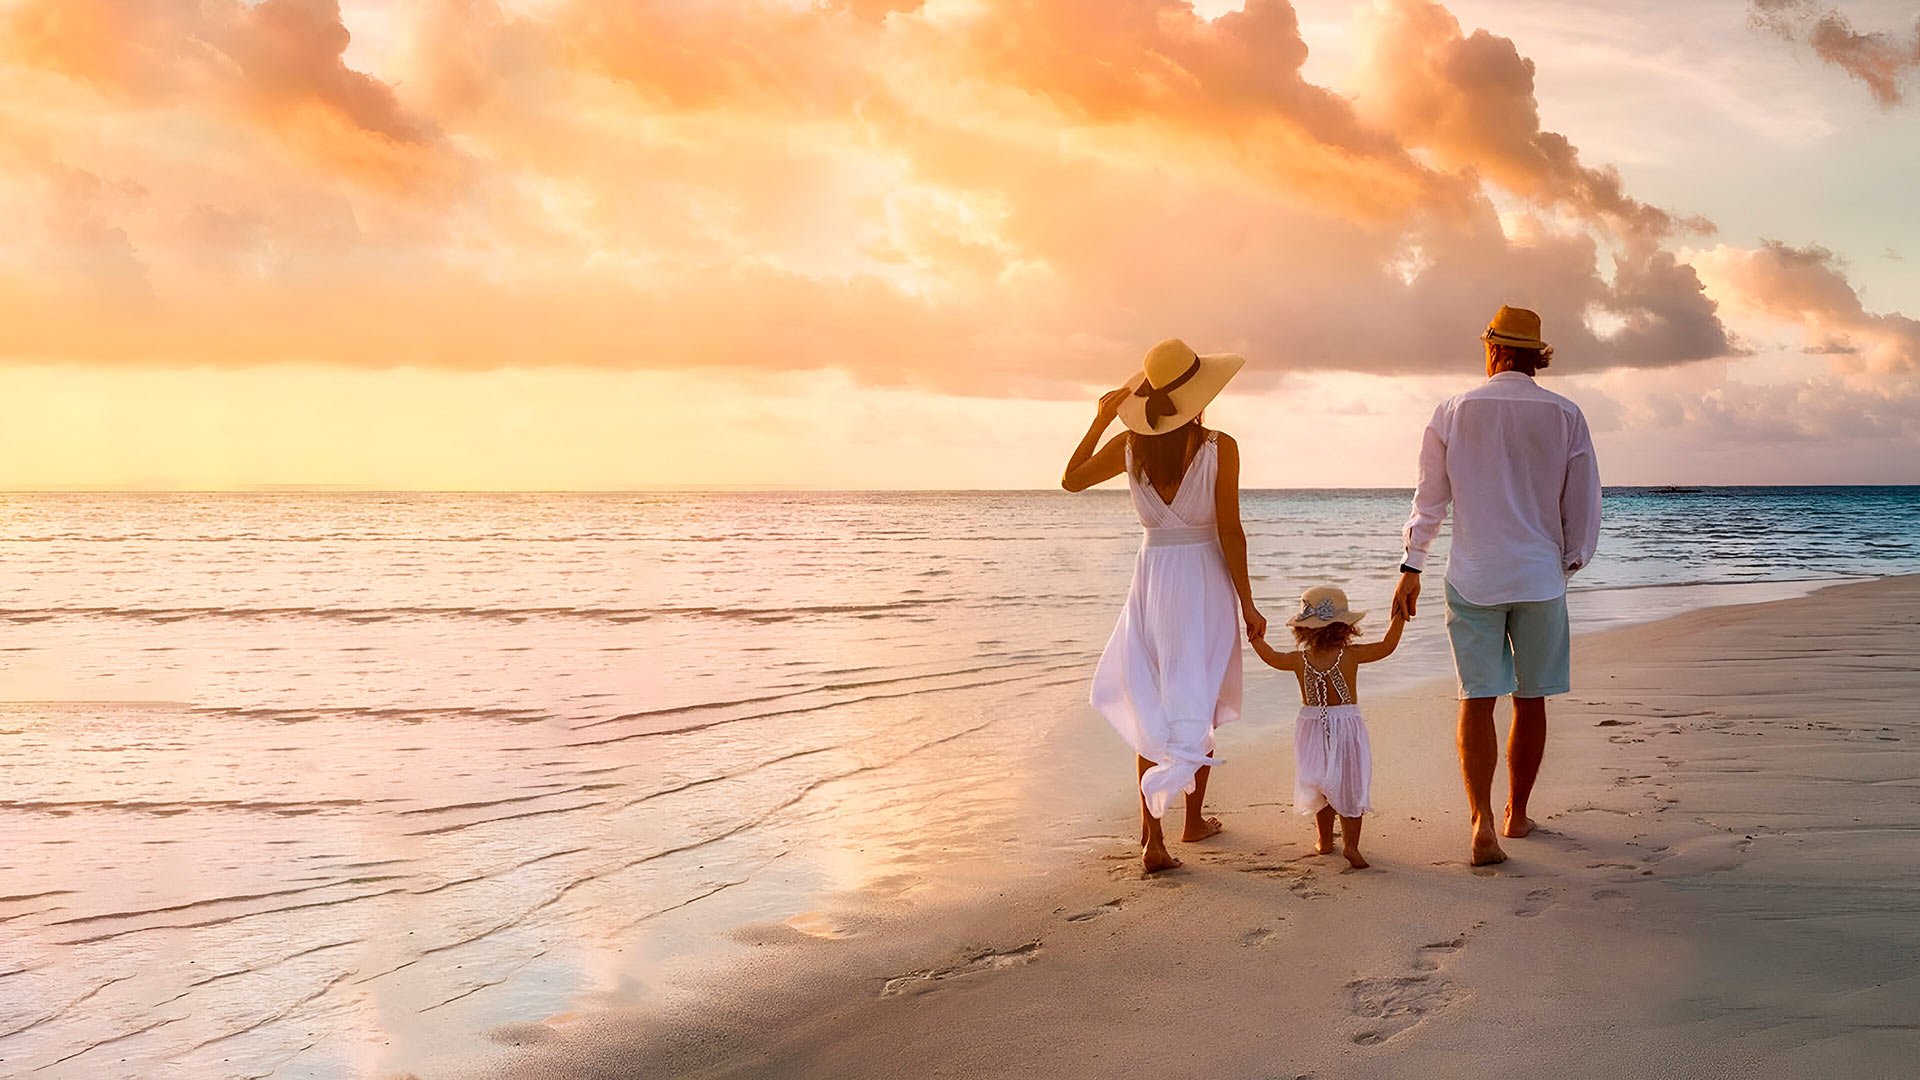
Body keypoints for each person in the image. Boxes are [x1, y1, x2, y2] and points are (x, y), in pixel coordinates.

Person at [1391, 305, 1602, 866]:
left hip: (1473, 574)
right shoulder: (1565, 414)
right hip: (1538, 576)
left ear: (1495, 350)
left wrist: (1411, 566)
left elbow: (1429, 499)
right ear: (1534, 355)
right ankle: (1515, 812)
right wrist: (1569, 561)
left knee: (1476, 698)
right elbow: (1581, 501)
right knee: (1530, 699)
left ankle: (1480, 820)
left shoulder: (1453, 410)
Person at [1062, 338, 1266, 873]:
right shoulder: (1221, 446)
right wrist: (1248, 603)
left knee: (1153, 700)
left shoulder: (1131, 447)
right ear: (1200, 396)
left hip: (1152, 580)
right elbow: (1230, 530)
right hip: (1203, 577)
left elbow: (1071, 479)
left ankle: (1152, 839)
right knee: (1198, 691)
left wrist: (1100, 421)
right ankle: (1192, 820)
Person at [1252, 587, 1405, 869]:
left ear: (1303, 629)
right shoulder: (1351, 655)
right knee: (1349, 785)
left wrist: (1255, 637)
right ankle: (1351, 847)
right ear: (1345, 627)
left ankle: (1324, 841)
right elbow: (1387, 646)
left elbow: (1270, 657)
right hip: (1346, 726)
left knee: (1321, 785)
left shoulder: (1299, 660)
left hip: (1311, 729)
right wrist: (1399, 616)